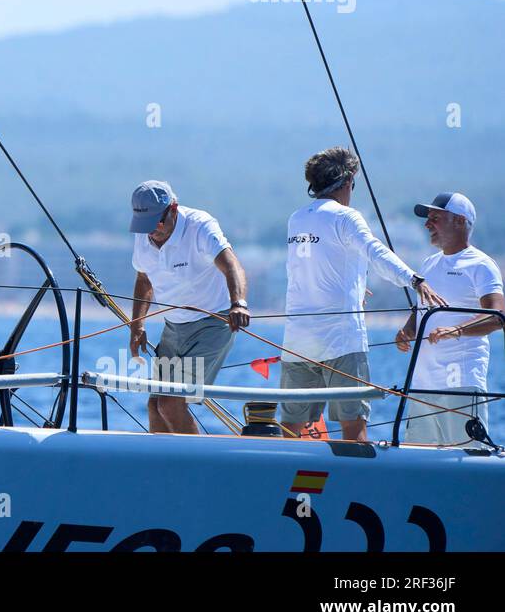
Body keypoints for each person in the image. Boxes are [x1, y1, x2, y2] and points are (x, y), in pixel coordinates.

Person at [280, 147, 444, 442]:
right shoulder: (347, 217)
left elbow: (305, 268)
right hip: (341, 343)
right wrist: (414, 279)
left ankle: (285, 483)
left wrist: (353, 285)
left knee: (292, 427)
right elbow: (375, 252)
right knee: (353, 428)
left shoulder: (296, 219)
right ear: (347, 182)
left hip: (297, 342)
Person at [128, 180, 251, 434]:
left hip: (212, 323)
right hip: (173, 327)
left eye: (156, 223)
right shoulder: (145, 235)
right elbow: (143, 279)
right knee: (155, 405)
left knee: (171, 403)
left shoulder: (200, 226)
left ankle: (199, 468)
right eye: (145, 226)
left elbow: (232, 266)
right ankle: (165, 467)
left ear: (173, 208)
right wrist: (137, 325)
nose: (152, 232)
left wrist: (238, 303)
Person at [397, 193, 504, 445]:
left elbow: (497, 315)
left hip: (460, 383)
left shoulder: (481, 264)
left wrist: (455, 330)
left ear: (459, 221)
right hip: (421, 385)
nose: (427, 225)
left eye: (435, 218)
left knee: (464, 459)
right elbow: (421, 308)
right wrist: (407, 330)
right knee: (419, 465)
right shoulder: (428, 264)